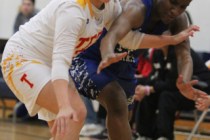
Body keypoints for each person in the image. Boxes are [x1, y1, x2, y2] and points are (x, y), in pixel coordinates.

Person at [1, 0, 128, 139]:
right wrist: (64, 106)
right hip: (21, 58)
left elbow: (130, 37)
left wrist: (156, 41)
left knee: (66, 132)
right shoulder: (72, 10)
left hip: (50, 64)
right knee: (74, 112)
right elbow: (60, 60)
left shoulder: (110, 8)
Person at [97, 0, 207, 102]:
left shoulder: (178, 19)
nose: (176, 11)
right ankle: (92, 120)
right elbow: (110, 37)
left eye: (183, 6)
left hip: (128, 62)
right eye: (173, 2)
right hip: (97, 54)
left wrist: (185, 82)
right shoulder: (137, 8)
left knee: (124, 115)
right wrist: (107, 55)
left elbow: (184, 55)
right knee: (115, 104)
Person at [134, 46, 210, 140]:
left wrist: (148, 89)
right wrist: (140, 84)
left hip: (199, 91)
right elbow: (156, 78)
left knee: (166, 96)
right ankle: (144, 135)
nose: (156, 35)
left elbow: (174, 83)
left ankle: (164, 136)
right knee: (147, 95)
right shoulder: (157, 53)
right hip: (177, 90)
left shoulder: (181, 52)